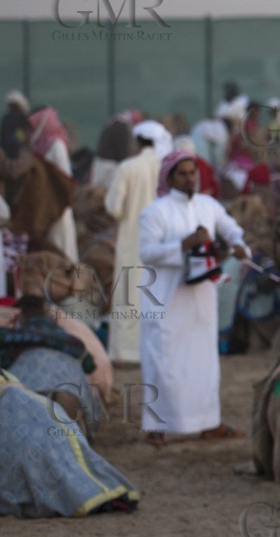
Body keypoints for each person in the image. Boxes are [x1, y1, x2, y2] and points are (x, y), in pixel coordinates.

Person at [138, 150, 250, 445]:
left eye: (193, 172)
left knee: (204, 363)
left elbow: (231, 229)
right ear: (170, 178)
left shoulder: (208, 205)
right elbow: (147, 253)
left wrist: (238, 244)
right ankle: (156, 426)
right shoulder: (156, 212)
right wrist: (183, 244)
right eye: (183, 174)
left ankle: (208, 423)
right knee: (163, 362)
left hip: (201, 301)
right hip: (165, 300)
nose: (190, 179)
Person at [104, 121, 166, 365]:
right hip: (161, 243)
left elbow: (114, 208)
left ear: (138, 141)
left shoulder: (127, 167)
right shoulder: (166, 167)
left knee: (128, 293)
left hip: (132, 241)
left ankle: (126, 353)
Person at [29, 107, 78, 261]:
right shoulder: (40, 146)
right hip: (45, 208)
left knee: (61, 249)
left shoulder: (56, 145)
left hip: (58, 208)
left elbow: (64, 178)